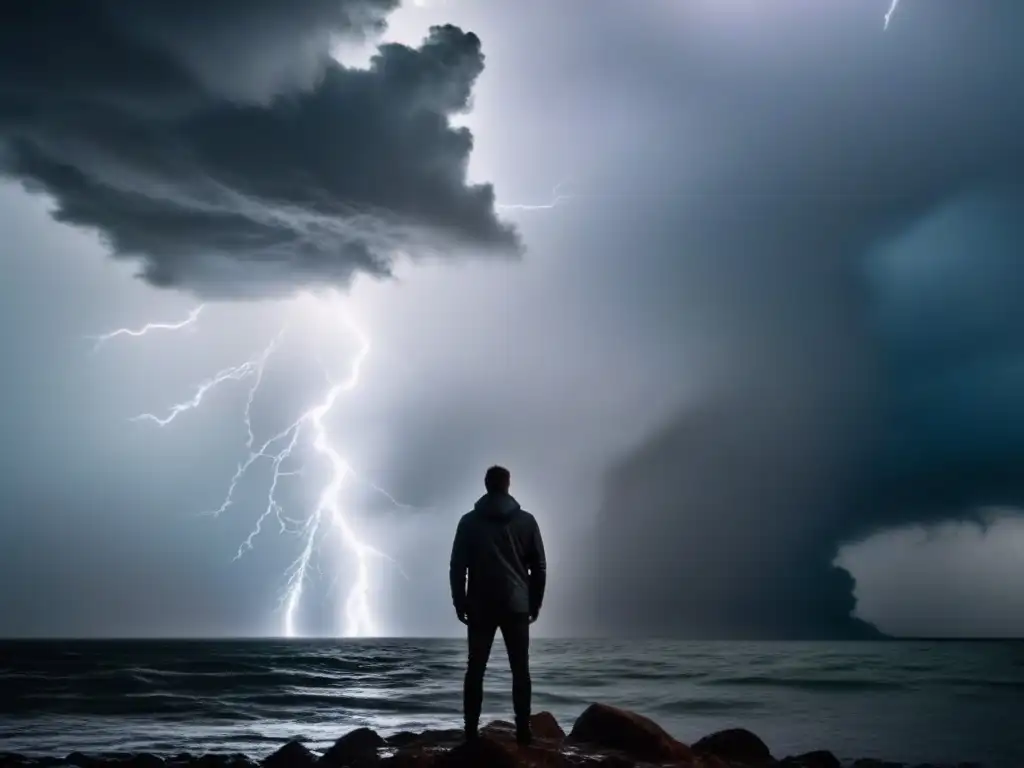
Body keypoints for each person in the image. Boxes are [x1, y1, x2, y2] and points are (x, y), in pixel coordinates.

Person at [449, 465, 547, 746]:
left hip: (480, 605)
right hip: (517, 605)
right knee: (521, 670)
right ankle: (523, 732)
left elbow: (458, 566)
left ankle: (470, 732)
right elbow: (539, 567)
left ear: (486, 485)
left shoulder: (468, 522)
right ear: (508, 485)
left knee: (475, 669)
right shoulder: (527, 522)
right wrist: (534, 602)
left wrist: (459, 601)